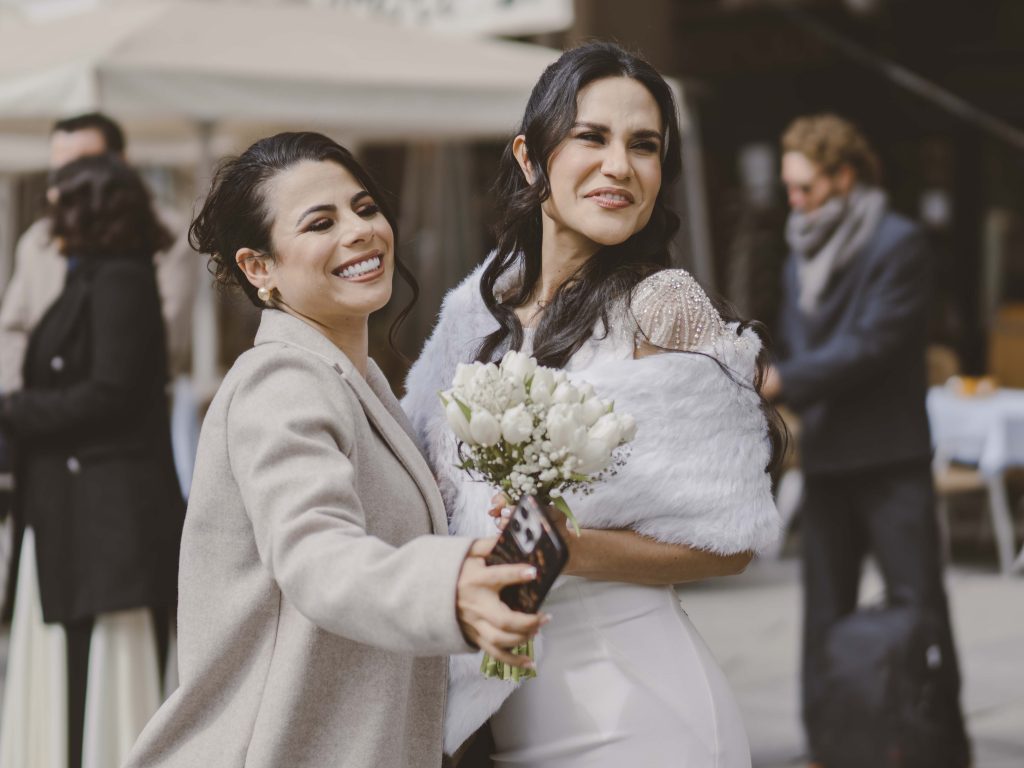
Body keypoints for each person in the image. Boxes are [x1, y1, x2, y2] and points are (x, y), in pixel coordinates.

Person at [403, 42, 783, 767]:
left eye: (645, 146)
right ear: (529, 156)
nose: (620, 166)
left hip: (637, 710)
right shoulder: (478, 312)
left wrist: (565, 546)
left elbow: (730, 541)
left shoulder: (664, 306)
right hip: (501, 706)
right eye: (592, 137)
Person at [122, 132, 544, 768]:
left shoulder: (357, 379)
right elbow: (317, 554)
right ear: (258, 267)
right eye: (321, 222)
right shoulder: (282, 382)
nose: (359, 231)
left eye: (365, 207)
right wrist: (448, 587)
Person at [763, 113, 970, 767]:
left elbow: (875, 343)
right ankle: (828, 747)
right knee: (822, 617)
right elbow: (802, 339)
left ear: (843, 176)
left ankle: (940, 746)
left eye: (805, 188)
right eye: (789, 190)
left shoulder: (898, 242)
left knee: (921, 609)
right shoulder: (801, 245)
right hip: (826, 457)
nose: (794, 203)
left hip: (891, 458)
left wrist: (783, 379)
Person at [0, 154, 185, 768]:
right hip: (72, 517)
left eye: (60, 201)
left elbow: (113, 393)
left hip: (105, 525)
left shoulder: (120, 281)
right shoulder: (95, 277)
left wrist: (15, 411)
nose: (49, 213)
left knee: (106, 676)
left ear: (91, 209)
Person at [0, 112, 195, 392]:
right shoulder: (38, 239)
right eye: (59, 170)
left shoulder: (162, 236)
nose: (66, 181)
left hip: (122, 413)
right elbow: (12, 329)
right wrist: (23, 402)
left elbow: (166, 342)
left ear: (120, 163)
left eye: (81, 165)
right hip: (42, 413)